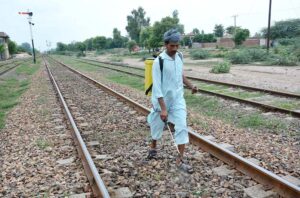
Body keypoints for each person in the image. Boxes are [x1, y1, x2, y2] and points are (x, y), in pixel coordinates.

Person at [147, 29, 197, 174]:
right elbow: (156, 88)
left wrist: (191, 86)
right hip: (161, 101)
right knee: (156, 126)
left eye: (177, 45)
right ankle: (153, 146)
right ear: (165, 44)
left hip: (177, 99)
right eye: (172, 46)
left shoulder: (180, 56)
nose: (175, 49)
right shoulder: (159, 62)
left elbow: (180, 76)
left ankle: (180, 160)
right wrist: (163, 109)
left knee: (181, 125)